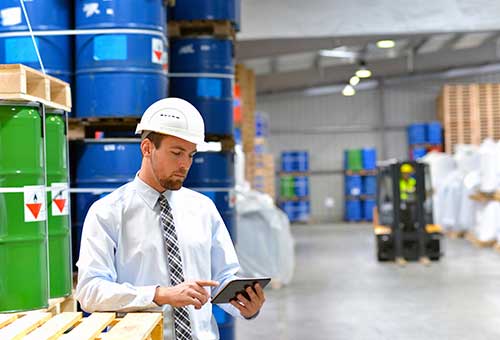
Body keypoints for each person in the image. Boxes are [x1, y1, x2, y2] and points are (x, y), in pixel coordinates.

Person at [75, 98, 266, 340]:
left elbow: (222, 281)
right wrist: (158, 295)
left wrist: (246, 306)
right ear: (147, 148)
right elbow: (90, 291)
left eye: (190, 155)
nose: (185, 164)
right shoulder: (108, 212)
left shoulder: (203, 208)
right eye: (176, 153)